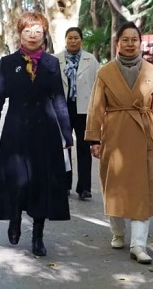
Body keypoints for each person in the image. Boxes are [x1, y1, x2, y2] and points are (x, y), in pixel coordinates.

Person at [85, 21, 153, 265]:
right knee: (114, 187)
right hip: (114, 135)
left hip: (145, 136)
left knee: (143, 190)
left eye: (134, 39)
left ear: (140, 43)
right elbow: (96, 107)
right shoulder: (105, 72)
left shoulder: (152, 72)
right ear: (118, 43)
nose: (130, 43)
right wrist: (94, 138)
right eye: (125, 39)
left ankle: (138, 244)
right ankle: (117, 232)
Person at [0, 12, 72, 257]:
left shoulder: (51, 63)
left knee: (41, 183)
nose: (33, 35)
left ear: (44, 35)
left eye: (38, 31)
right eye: (28, 31)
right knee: (17, 180)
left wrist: (67, 134)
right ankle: (14, 218)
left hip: (45, 132)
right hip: (15, 131)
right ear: (20, 34)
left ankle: (38, 235)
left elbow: (59, 100)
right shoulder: (7, 62)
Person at [56, 27, 99, 200]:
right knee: (64, 147)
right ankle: (64, 184)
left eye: (76, 38)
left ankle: (84, 187)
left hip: (84, 109)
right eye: (70, 38)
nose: (73, 41)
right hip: (62, 108)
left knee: (84, 148)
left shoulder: (91, 59)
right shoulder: (56, 60)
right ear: (65, 40)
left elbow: (97, 84)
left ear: (81, 40)